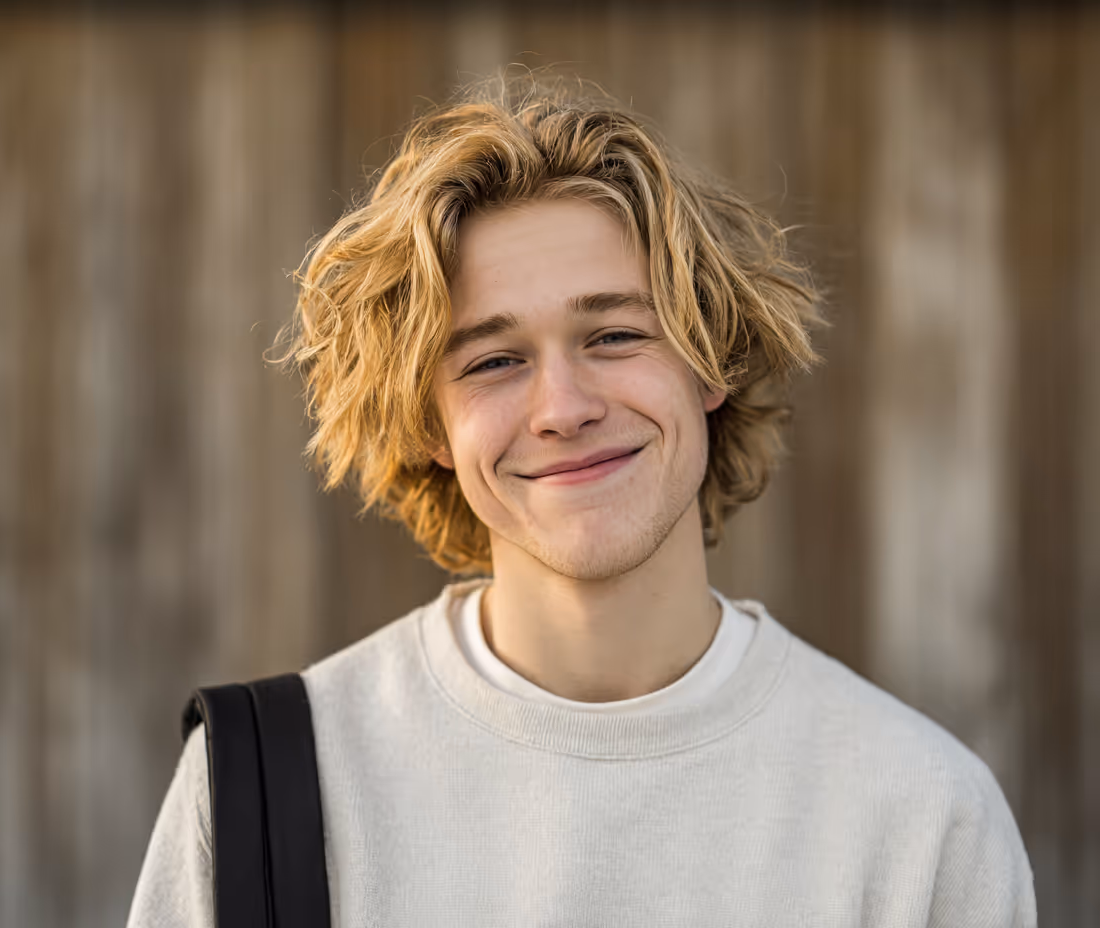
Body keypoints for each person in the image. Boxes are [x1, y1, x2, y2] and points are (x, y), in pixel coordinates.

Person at [127, 71, 1036, 926]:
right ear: (431, 428)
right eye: (492, 360)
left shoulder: (921, 815)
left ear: (709, 361)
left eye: (613, 334)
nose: (564, 407)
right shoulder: (260, 788)